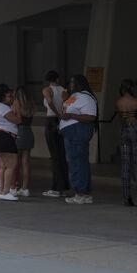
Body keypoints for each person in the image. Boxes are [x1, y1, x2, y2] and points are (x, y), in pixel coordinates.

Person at [58, 74, 98, 204]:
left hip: (78, 132)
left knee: (77, 162)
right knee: (77, 161)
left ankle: (80, 192)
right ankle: (83, 192)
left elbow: (91, 117)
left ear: (79, 84)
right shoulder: (75, 96)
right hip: (71, 133)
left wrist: (71, 115)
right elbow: (65, 111)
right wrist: (64, 101)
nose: (70, 85)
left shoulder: (86, 97)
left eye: (72, 82)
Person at [112, 79, 137, 208]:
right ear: (132, 87)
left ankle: (126, 198)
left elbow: (120, 119)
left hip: (124, 130)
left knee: (125, 164)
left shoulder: (118, 102)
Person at [42, 70, 70, 198]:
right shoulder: (64, 90)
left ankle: (56, 187)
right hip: (62, 120)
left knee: (54, 155)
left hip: (51, 119)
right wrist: (62, 114)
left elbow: (49, 101)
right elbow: (67, 103)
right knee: (61, 153)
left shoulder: (47, 90)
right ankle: (64, 185)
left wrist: (56, 113)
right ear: (57, 79)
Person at [0, 84, 20, 201]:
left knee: (3, 166)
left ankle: (2, 191)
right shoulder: (4, 107)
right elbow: (18, 120)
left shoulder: (0, 106)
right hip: (4, 137)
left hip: (0, 136)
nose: (12, 98)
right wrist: (17, 107)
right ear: (2, 97)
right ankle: (6, 191)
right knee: (11, 165)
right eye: (9, 96)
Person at [11, 87, 35, 197]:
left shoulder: (16, 103)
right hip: (29, 131)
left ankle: (13, 186)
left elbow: (16, 117)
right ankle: (25, 188)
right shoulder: (30, 103)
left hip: (19, 131)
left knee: (14, 162)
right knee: (26, 162)